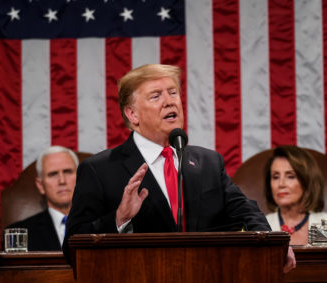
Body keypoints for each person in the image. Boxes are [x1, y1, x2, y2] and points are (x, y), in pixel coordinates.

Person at [63, 64, 295, 272]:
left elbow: (246, 212)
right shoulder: (100, 169)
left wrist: (276, 245)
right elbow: (72, 246)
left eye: (173, 92)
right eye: (155, 96)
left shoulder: (208, 163)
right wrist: (119, 218)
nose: (170, 101)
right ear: (132, 114)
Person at [264, 145, 327, 245]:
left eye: (290, 176)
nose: (281, 184)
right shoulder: (258, 228)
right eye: (275, 177)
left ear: (307, 181)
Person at [8, 145, 78, 251]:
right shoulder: (20, 235)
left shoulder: (103, 226)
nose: (62, 181)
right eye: (53, 174)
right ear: (41, 186)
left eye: (67, 172)